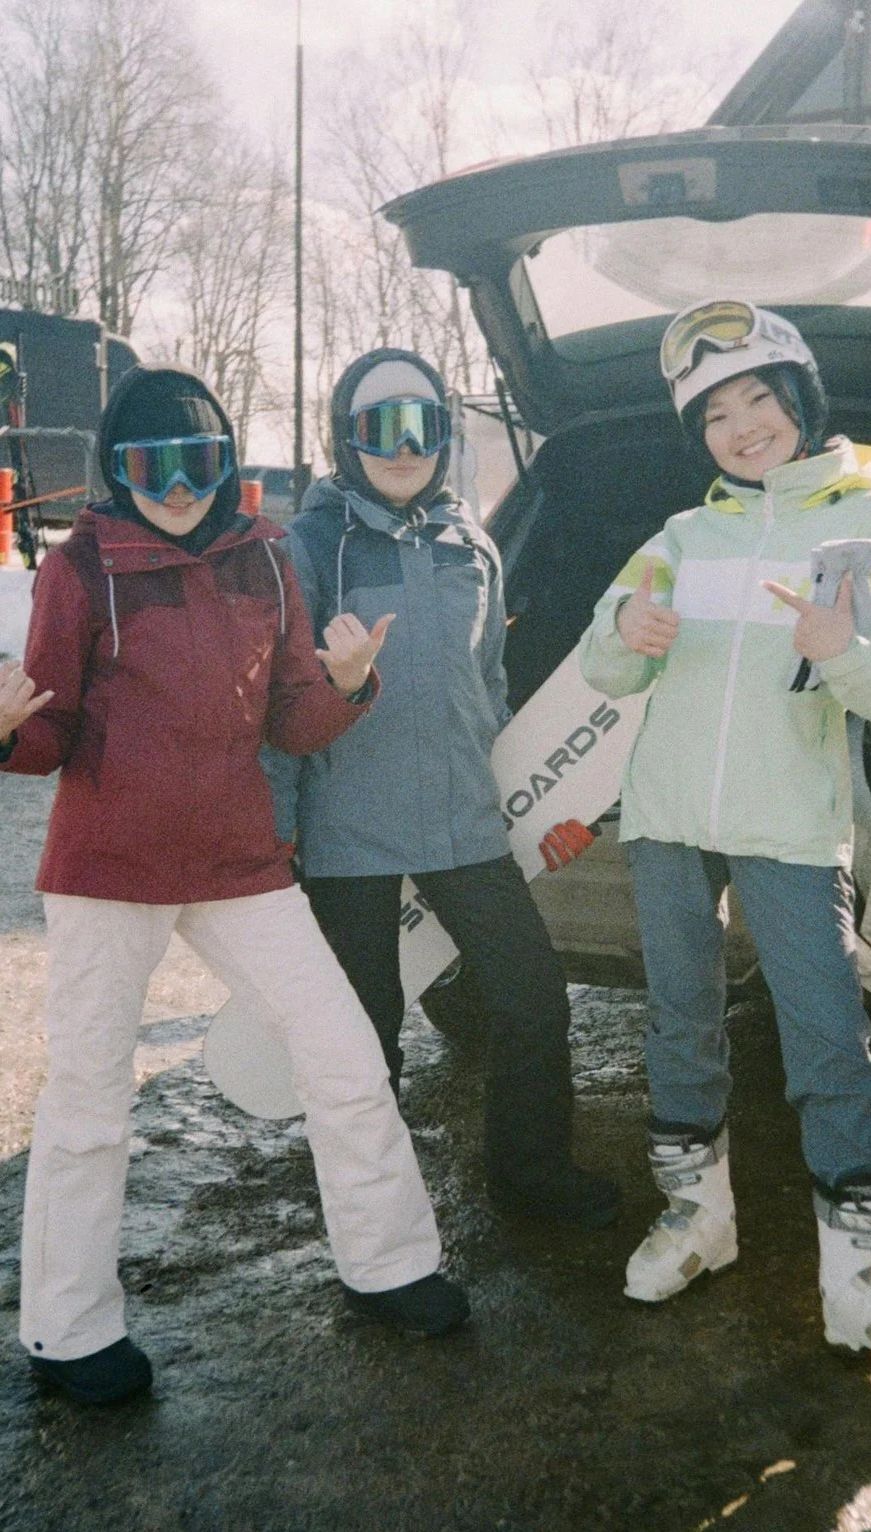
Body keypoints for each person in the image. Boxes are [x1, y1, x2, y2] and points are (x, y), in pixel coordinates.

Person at [0, 365, 466, 1407]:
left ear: (226, 463)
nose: (178, 484)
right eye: (152, 465)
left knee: (342, 1052)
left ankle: (389, 1263)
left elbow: (290, 720)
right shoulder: (84, 567)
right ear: (117, 470)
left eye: (198, 461)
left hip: (240, 864)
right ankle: (68, 1330)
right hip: (110, 872)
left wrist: (344, 686)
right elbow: (48, 730)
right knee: (91, 1097)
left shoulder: (267, 558)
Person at [577, 299, 871, 1372]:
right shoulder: (679, 537)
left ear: (799, 400)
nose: (743, 429)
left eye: (758, 400)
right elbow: (606, 666)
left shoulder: (869, 523)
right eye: (715, 416)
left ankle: (860, 1274)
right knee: (678, 1020)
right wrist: (626, 631)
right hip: (665, 820)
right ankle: (699, 1220)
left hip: (791, 826)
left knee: (829, 1035)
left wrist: (837, 648)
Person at [264, 348, 621, 1229]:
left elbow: (489, 686)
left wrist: (531, 800)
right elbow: (277, 702)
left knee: (532, 1000)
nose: (403, 444)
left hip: (465, 825)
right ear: (344, 436)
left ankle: (528, 1175)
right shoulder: (310, 547)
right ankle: (373, 1219)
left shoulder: (471, 545)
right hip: (348, 833)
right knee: (364, 1042)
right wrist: (276, 836)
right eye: (379, 425)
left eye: (422, 423)